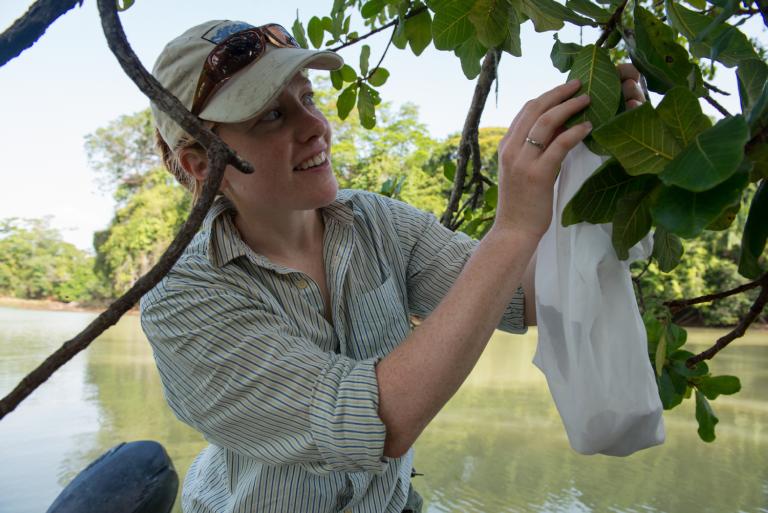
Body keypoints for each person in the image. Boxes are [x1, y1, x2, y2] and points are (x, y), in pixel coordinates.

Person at [140, 19, 645, 513]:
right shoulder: (182, 298)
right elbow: (377, 420)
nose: (316, 127)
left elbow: (521, 297)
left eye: (307, 98)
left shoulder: (377, 222)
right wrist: (513, 226)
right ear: (203, 164)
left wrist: (603, 162)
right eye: (270, 117)